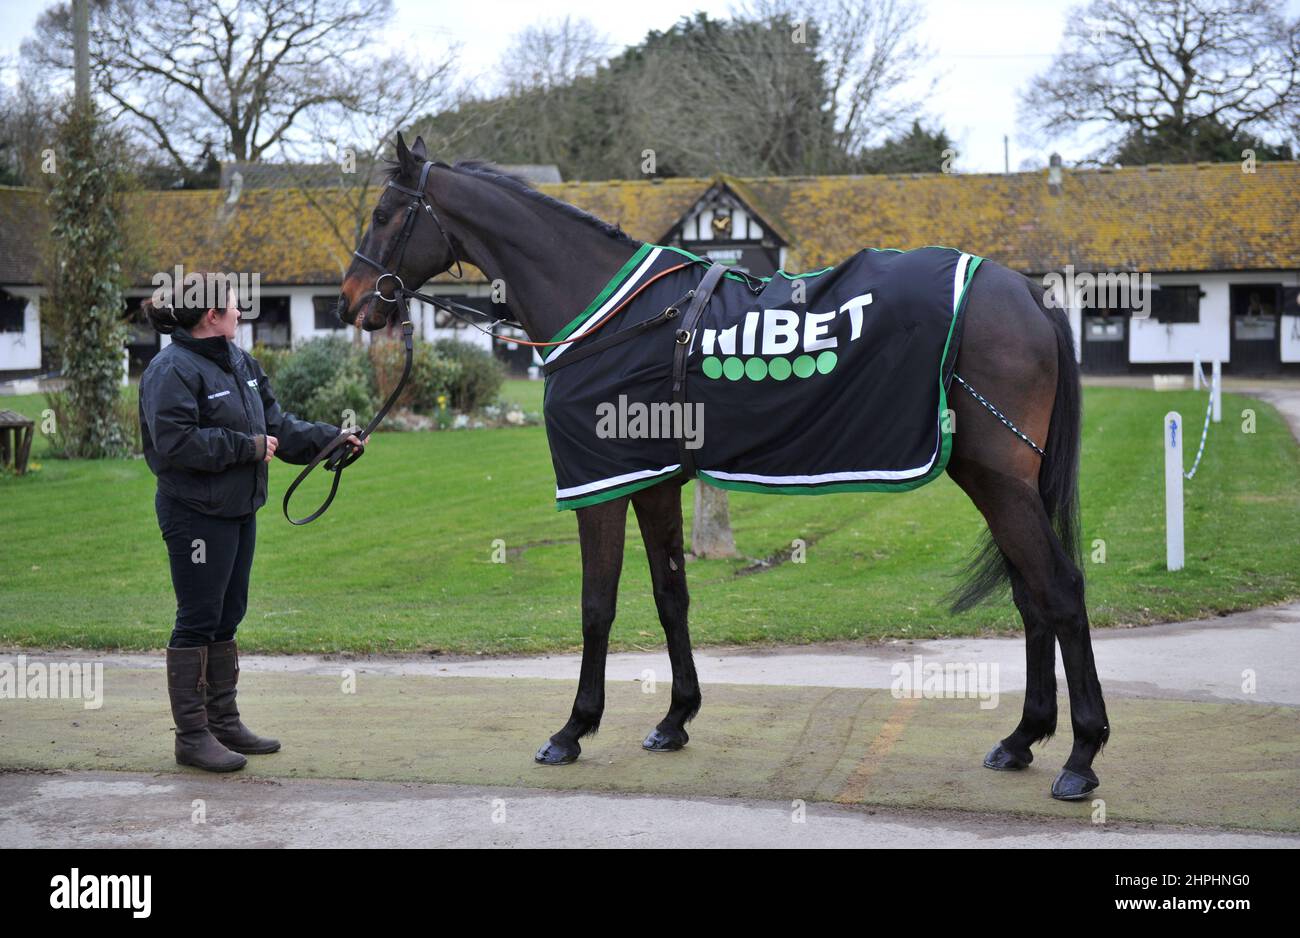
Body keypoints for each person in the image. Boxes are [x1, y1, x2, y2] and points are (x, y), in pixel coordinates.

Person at [138, 282, 362, 772]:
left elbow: (278, 426)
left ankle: (224, 722)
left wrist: (333, 441)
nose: (242, 310)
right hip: (194, 514)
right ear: (212, 315)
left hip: (239, 510)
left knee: (228, 615)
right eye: (235, 305)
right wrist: (247, 447)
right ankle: (192, 736)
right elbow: (176, 444)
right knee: (197, 619)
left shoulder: (241, 363)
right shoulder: (169, 370)